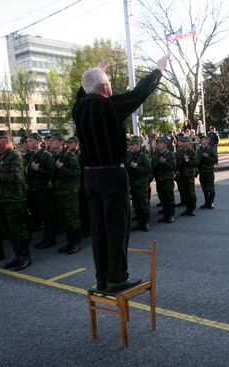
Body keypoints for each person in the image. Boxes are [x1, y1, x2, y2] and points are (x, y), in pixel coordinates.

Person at [72, 55, 168, 292]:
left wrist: (97, 71)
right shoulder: (109, 106)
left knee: (99, 229)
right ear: (105, 88)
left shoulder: (78, 107)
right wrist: (158, 71)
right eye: (109, 85)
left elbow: (83, 91)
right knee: (116, 227)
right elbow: (138, 94)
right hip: (112, 175)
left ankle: (102, 277)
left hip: (90, 176)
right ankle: (117, 276)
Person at [0, 131, 31, 271]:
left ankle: (25, 256)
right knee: (7, 230)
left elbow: (17, 178)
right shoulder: (0, 156)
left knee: (18, 229)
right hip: (0, 198)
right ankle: (17, 255)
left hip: (13, 199)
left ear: (5, 140)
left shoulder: (15, 156)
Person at [49, 132, 82, 254]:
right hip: (59, 191)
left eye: (53, 140)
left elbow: (76, 173)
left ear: (60, 142)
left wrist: (62, 167)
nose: (51, 142)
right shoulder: (54, 155)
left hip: (70, 192)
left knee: (72, 217)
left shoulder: (69, 156)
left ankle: (76, 242)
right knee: (63, 218)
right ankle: (69, 242)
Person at [26, 133, 57, 249]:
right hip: (36, 190)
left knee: (49, 215)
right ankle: (46, 238)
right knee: (43, 215)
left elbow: (52, 173)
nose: (28, 143)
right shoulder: (32, 156)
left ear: (38, 141)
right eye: (28, 141)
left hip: (44, 190)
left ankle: (50, 239)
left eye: (31, 141)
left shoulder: (46, 155)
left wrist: (39, 169)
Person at [126, 137, 151, 232]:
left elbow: (148, 169)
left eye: (132, 145)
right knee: (136, 204)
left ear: (137, 145)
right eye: (130, 145)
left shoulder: (143, 156)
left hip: (141, 184)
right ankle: (139, 222)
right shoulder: (128, 156)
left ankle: (146, 223)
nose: (130, 147)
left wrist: (137, 167)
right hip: (132, 183)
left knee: (143, 203)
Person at [152, 136, 176, 223]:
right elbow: (153, 166)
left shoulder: (170, 154)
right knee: (162, 197)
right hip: (159, 179)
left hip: (167, 179)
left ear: (165, 144)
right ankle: (165, 215)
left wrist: (164, 162)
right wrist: (159, 162)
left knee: (169, 197)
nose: (158, 144)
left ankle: (171, 215)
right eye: (157, 143)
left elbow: (173, 167)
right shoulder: (156, 154)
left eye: (160, 143)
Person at [175, 136, 198, 216]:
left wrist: (187, 160)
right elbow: (176, 162)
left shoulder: (192, 152)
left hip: (189, 174)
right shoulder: (179, 151)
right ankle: (188, 209)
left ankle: (193, 209)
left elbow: (195, 164)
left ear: (189, 143)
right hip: (181, 175)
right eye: (183, 142)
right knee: (185, 192)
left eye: (186, 142)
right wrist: (176, 170)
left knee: (191, 192)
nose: (185, 143)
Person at [197, 135, 217, 209]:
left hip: (209, 171)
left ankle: (211, 202)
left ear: (208, 141)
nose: (203, 141)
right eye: (202, 140)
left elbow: (215, 160)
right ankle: (206, 202)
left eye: (205, 139)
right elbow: (197, 160)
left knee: (211, 188)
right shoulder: (199, 150)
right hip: (202, 172)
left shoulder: (211, 149)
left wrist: (207, 156)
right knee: (204, 188)